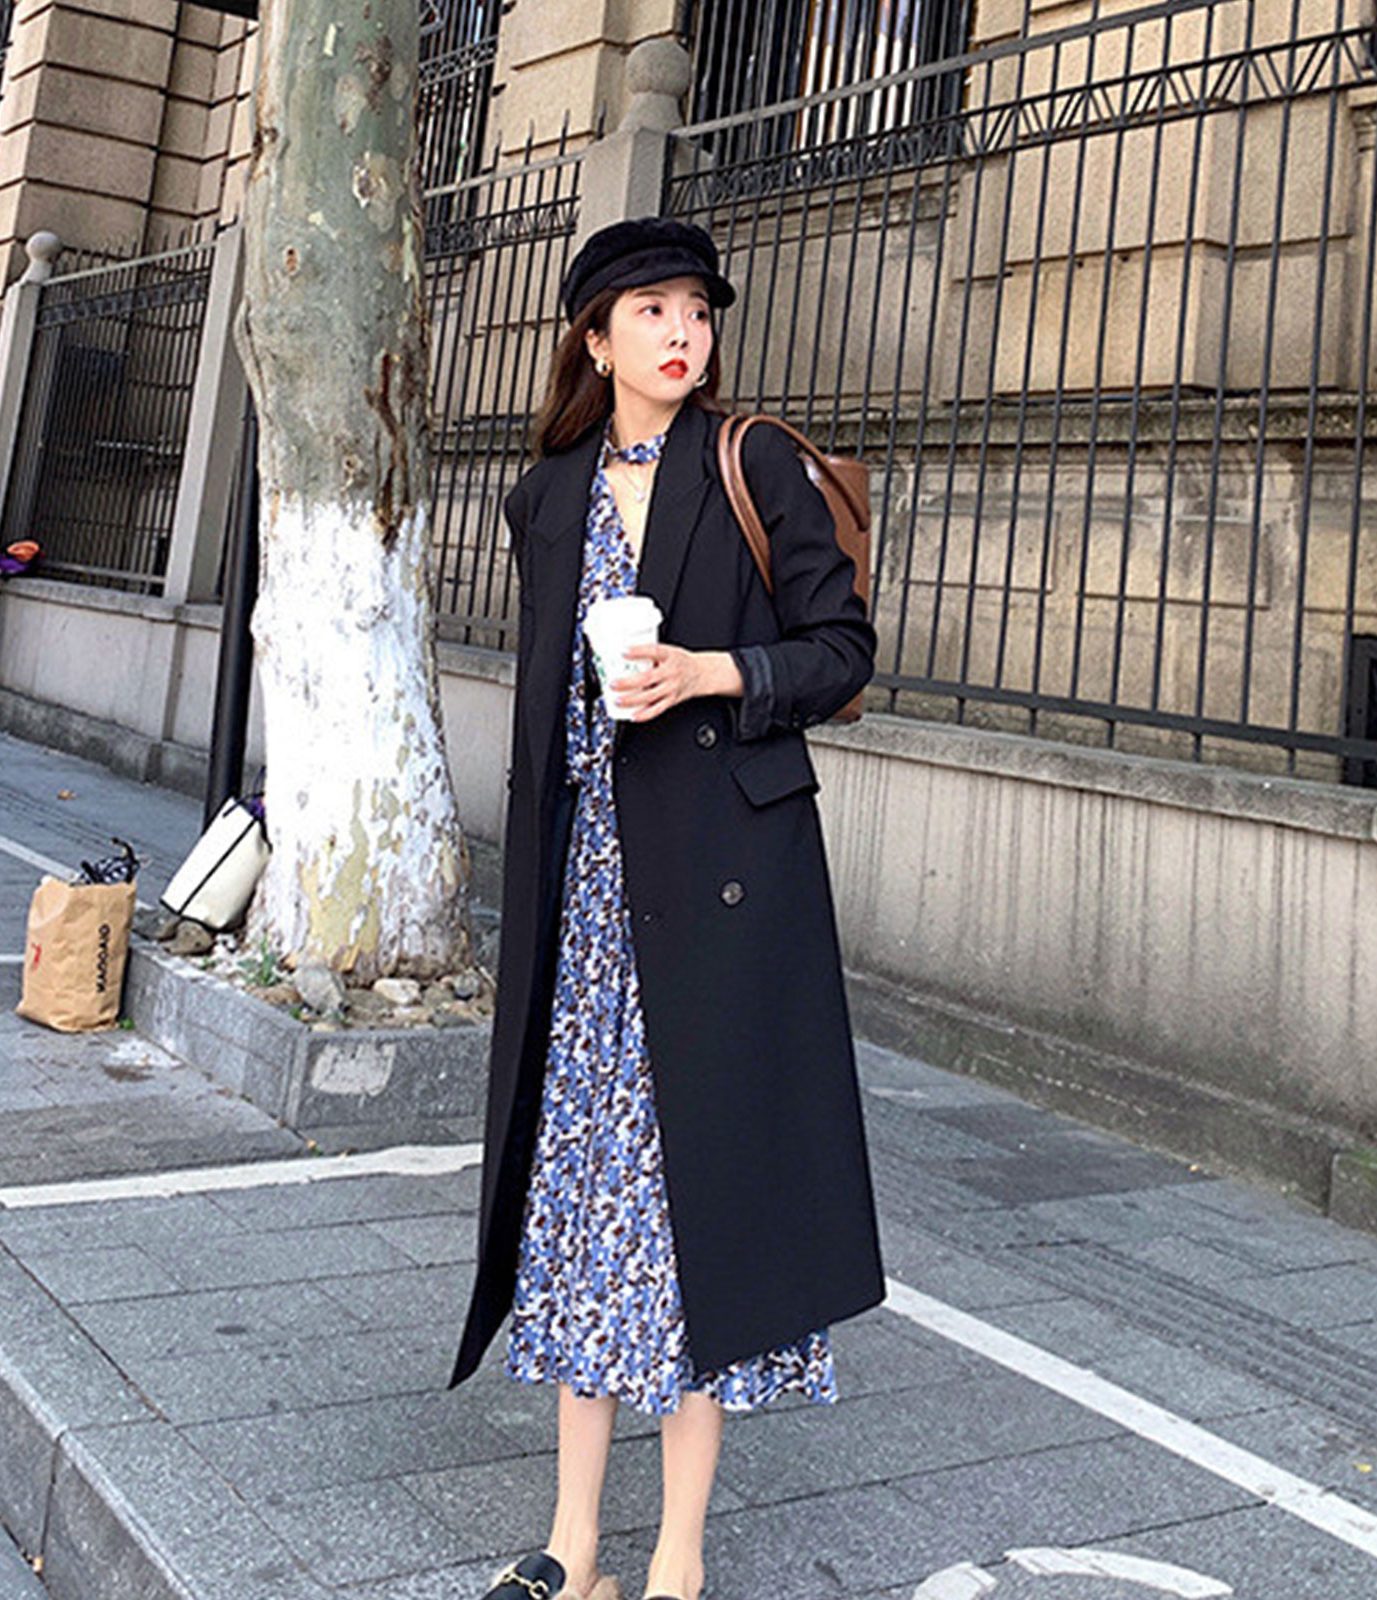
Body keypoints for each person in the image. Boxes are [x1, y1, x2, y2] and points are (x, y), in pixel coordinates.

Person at [452, 218, 884, 1600]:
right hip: (588, 898)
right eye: (649, 310)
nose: (681, 330)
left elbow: (840, 652)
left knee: (708, 1209)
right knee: (581, 1205)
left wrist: (711, 674)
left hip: (722, 888)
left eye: (695, 307)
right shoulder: (547, 497)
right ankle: (572, 1544)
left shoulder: (751, 462)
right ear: (594, 339)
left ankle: (677, 1555)